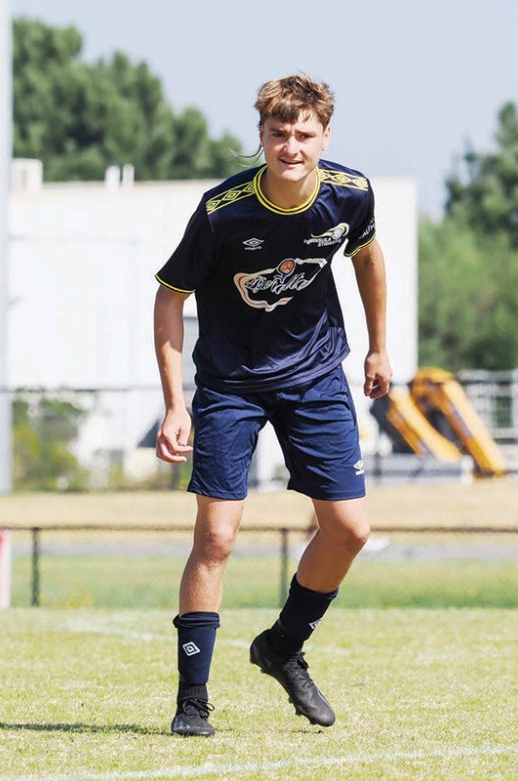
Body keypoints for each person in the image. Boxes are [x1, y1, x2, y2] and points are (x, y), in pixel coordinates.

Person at [153, 73, 390, 737]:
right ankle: (193, 701)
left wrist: (378, 348)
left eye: (304, 134)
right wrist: (176, 404)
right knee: (217, 537)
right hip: (230, 381)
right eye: (278, 133)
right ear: (261, 136)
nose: (291, 146)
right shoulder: (222, 210)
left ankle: (281, 646)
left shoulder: (351, 193)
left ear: (325, 137)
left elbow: (369, 258)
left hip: (315, 376)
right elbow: (170, 296)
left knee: (349, 529)